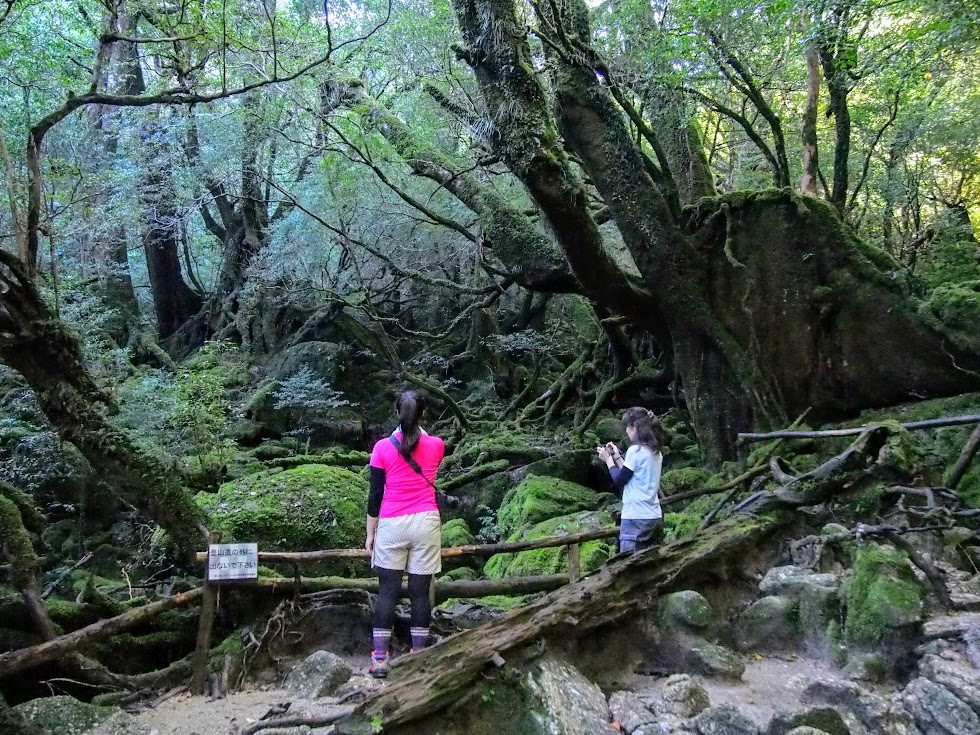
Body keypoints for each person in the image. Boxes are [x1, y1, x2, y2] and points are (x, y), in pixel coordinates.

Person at [365, 390, 445, 678]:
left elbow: (375, 496)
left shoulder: (381, 448)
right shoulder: (437, 445)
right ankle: (419, 656)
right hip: (426, 522)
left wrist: (370, 534)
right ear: (423, 414)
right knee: (420, 594)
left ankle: (380, 660)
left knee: (387, 593)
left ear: (397, 413)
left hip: (392, 523)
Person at [596, 407, 665, 554]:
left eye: (628, 427)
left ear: (635, 428)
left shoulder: (635, 451)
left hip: (635, 518)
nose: (626, 431)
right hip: (654, 517)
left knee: (629, 566)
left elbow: (619, 481)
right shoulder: (655, 453)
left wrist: (608, 461)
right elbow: (631, 476)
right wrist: (617, 457)